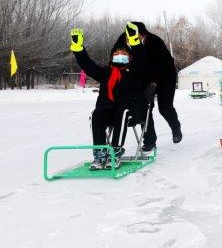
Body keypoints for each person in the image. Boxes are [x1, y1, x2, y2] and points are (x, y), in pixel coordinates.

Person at [70, 23, 148, 170]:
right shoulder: (105, 73)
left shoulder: (135, 72)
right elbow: (88, 65)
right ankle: (100, 154)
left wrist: (134, 41)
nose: (120, 57)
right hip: (108, 111)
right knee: (97, 114)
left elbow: (142, 59)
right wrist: (78, 49)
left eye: (123, 55)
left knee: (123, 112)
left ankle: (115, 152)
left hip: (131, 112)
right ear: (112, 57)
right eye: (116, 55)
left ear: (129, 58)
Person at [113, 22, 182, 151]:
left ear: (141, 34)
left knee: (165, 108)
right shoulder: (124, 38)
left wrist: (153, 83)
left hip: (165, 76)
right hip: (143, 76)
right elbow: (116, 52)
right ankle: (150, 141)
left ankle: (175, 127)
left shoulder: (155, 42)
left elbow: (159, 65)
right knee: (145, 107)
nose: (129, 39)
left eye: (134, 36)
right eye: (128, 36)